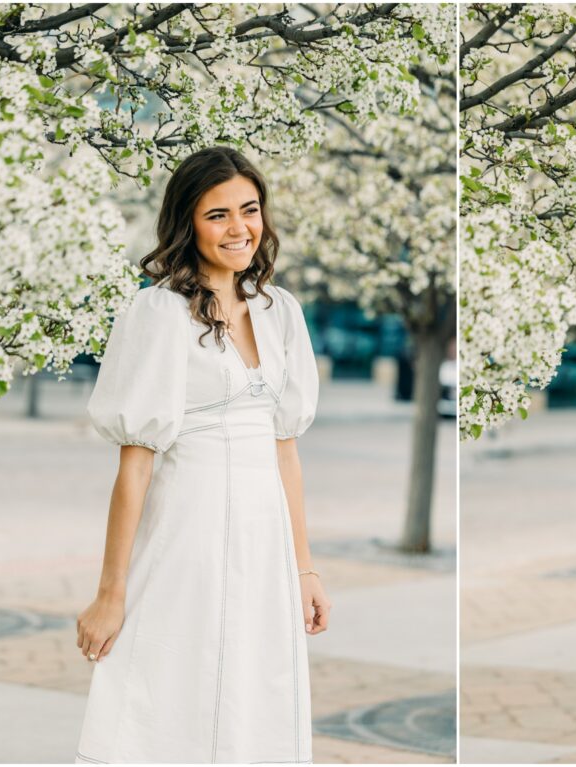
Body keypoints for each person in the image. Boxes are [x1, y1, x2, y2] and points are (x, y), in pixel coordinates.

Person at [73, 146, 330, 764]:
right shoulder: (158, 312)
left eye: (249, 210)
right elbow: (134, 468)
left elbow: (285, 453)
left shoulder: (280, 312)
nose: (239, 228)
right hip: (186, 533)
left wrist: (306, 567)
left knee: (254, 690)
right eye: (218, 215)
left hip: (264, 542)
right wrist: (111, 592)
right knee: (170, 690)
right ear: (187, 223)